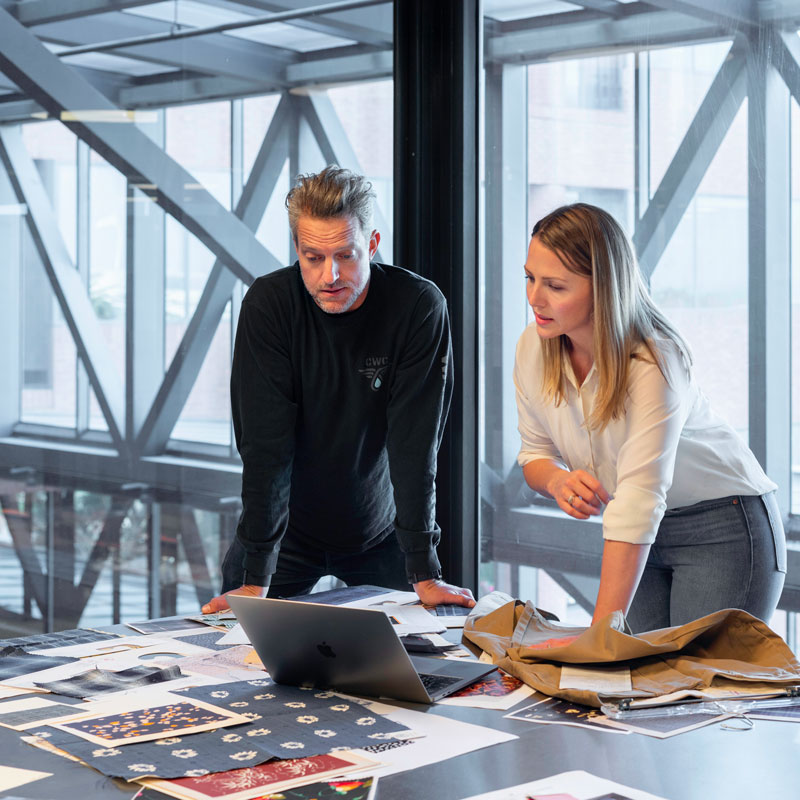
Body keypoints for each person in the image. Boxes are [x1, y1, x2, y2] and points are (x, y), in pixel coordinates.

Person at [202, 166, 475, 614]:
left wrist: (424, 569)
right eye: (312, 257)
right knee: (240, 657)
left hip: (380, 532)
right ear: (296, 249)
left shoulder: (418, 307)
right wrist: (255, 577)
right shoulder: (269, 306)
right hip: (283, 536)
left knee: (416, 664)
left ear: (371, 244)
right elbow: (265, 448)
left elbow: (415, 445)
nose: (330, 275)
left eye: (346, 256)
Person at [514, 202, 785, 633]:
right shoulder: (533, 347)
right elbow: (534, 454)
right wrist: (557, 480)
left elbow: (640, 500)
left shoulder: (655, 359)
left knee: (695, 691)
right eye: (530, 278)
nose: (534, 298)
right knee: (639, 682)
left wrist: (597, 639)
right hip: (637, 531)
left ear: (603, 287)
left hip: (721, 526)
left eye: (556, 286)